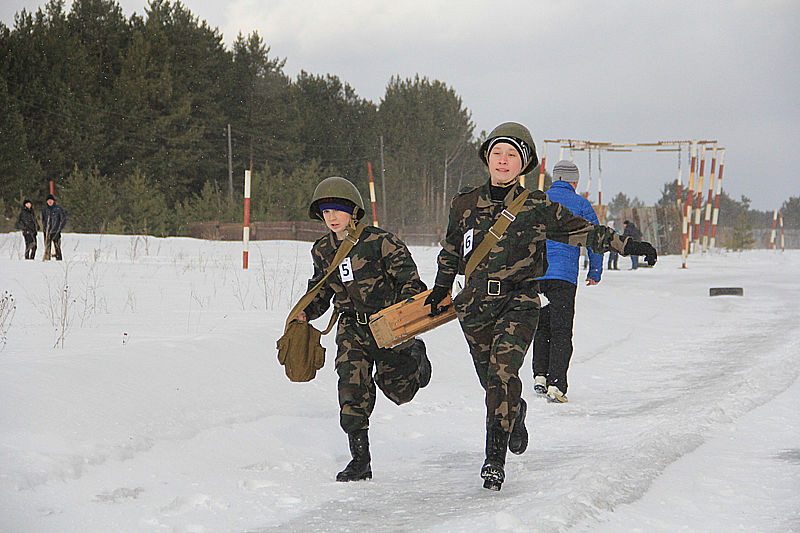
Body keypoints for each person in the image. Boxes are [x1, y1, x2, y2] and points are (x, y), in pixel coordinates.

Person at [425, 122, 657, 491]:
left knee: (502, 374)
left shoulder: (536, 206)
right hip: (474, 305)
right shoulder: (464, 204)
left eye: (512, 155)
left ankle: (493, 459)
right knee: (493, 383)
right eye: (497, 153)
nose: (503, 161)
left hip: (519, 302)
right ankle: (515, 414)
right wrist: (439, 288)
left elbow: (584, 231)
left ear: (524, 163)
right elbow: (452, 249)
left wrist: (627, 246)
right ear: (487, 158)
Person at [295, 176, 432, 483]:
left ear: (354, 212)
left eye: (338, 210)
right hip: (351, 328)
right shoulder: (322, 250)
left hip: (389, 328)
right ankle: (360, 461)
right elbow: (320, 290)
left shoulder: (381, 242)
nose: (331, 217)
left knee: (400, 392)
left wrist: (402, 324)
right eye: (325, 211)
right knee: (351, 389)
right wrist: (306, 312)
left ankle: (416, 360)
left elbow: (412, 284)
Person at [532, 160, 602, 404]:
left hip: (537, 276)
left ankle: (539, 375)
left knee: (541, 327)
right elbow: (596, 238)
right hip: (564, 278)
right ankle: (556, 384)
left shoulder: (538, 200)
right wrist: (595, 270)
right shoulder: (581, 204)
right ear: (574, 181)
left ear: (554, 179)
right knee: (561, 330)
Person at [41, 194, 67, 261]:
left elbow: (63, 219)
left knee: (57, 247)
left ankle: (59, 260)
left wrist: (60, 228)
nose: (50, 202)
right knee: (47, 247)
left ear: (53, 201)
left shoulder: (58, 209)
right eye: (48, 200)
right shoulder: (44, 209)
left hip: (56, 231)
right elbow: (43, 220)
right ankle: (47, 259)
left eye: (51, 200)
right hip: (47, 231)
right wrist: (45, 227)